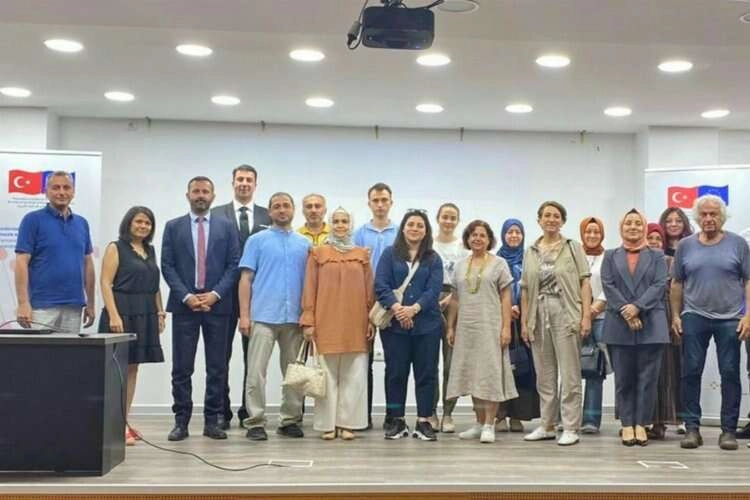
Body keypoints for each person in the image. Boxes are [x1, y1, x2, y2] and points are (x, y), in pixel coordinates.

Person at [161, 176, 240, 441]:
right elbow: (167, 265)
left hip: (218, 307)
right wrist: (186, 296)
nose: (200, 195)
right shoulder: (173, 227)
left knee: (217, 367)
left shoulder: (227, 227)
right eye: (196, 191)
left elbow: (234, 264)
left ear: (213, 196)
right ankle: (181, 422)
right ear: (188, 195)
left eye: (205, 191)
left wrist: (215, 295)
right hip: (185, 307)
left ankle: (212, 421)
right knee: (182, 368)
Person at [671, 195, 750, 450]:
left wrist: (748, 315)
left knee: (730, 373)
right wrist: (675, 316)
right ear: (697, 217)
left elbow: (748, 281)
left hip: (731, 319)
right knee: (691, 372)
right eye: (704, 214)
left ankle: (728, 431)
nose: (708, 219)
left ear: (722, 216)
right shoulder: (685, 245)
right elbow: (677, 283)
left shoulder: (738, 244)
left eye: (713, 214)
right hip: (694, 316)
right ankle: (692, 429)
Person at [238, 192, 311, 441]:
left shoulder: (304, 244)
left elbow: (311, 283)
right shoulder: (256, 241)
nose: (282, 210)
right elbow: (246, 279)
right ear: (269, 212)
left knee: (294, 373)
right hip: (263, 316)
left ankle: (290, 420)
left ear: (293, 210)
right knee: (256, 372)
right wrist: (244, 316)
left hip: (295, 319)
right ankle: (255, 422)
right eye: (277, 206)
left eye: (286, 206)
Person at [521, 201, 592, 447]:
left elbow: (585, 282)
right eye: (547, 215)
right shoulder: (531, 250)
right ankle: (547, 424)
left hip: (566, 311)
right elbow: (526, 288)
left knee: (570, 373)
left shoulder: (573, 247)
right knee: (544, 373)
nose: (551, 219)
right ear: (539, 220)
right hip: (538, 313)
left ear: (562, 221)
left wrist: (585, 316)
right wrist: (525, 322)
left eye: (556, 216)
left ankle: (571, 426)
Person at [300, 207, 374, 440]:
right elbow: (309, 287)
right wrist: (308, 320)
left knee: (354, 376)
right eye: (337, 221)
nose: (341, 225)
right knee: (327, 375)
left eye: (345, 221)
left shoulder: (362, 255)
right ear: (330, 224)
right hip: (325, 320)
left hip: (356, 321)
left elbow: (369, 291)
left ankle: (348, 423)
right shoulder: (317, 253)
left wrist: (371, 320)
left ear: (351, 225)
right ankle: (327, 424)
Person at [600, 209, 669, 447]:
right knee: (624, 378)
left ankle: (642, 423)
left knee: (648, 379)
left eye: (638, 223)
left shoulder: (657, 256)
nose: (633, 227)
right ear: (621, 228)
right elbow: (608, 285)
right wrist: (627, 311)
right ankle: (627, 424)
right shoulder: (610, 255)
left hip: (652, 323)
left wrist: (637, 307)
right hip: (619, 324)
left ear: (644, 228)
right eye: (628, 223)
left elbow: (659, 285)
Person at [445, 220, 517, 444]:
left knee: (489, 374)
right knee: (472, 374)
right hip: (466, 328)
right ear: (467, 239)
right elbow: (455, 298)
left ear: (489, 239)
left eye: (482, 235)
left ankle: (489, 424)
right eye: (473, 235)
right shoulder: (460, 265)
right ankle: (478, 423)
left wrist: (506, 328)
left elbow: (506, 297)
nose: (477, 238)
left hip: (490, 326)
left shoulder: (499, 264)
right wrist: (450, 326)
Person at [99, 206, 165, 445]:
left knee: (133, 369)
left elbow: (155, 285)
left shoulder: (150, 250)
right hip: (122, 312)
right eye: (139, 221)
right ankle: (113, 426)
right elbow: (105, 283)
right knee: (116, 371)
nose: (143, 226)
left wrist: (160, 312)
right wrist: (114, 315)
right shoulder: (115, 247)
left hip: (145, 313)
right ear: (129, 223)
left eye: (147, 223)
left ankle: (124, 421)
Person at [374, 209, 443, 441]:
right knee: (396, 373)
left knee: (426, 373)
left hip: (427, 326)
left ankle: (424, 421)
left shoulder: (433, 258)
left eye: (420, 225)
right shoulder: (389, 254)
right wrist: (398, 308)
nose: (415, 228)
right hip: (395, 327)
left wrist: (413, 309)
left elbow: (433, 290)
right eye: (411, 224)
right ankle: (397, 420)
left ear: (426, 231)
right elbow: (381, 285)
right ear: (403, 228)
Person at [212, 164, 271, 429]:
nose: (244, 183)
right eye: (240, 179)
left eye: (249, 179)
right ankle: (220, 411)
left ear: (255, 184)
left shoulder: (268, 215)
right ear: (233, 183)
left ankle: (249, 410)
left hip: (258, 296)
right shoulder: (216, 214)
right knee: (220, 357)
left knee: (253, 359)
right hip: (223, 295)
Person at [15, 171, 95, 333]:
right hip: (41, 306)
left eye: (66, 187)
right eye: (56, 188)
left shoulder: (82, 223)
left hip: (74, 305)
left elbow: (88, 264)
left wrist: (91, 303)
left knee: (68, 350)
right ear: (46, 192)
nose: (61, 192)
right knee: (38, 350)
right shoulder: (32, 220)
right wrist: (23, 303)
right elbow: (21, 262)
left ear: (73, 192)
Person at [353, 182, 398, 430]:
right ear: (369, 203)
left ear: (391, 202)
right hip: (365, 303)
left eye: (384, 200)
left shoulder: (400, 232)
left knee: (394, 363)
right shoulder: (359, 234)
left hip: (392, 304)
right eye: (376, 200)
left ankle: (392, 416)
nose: (380, 205)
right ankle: (363, 416)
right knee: (364, 363)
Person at [495, 219, 539, 433]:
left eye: (518, 232)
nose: (514, 236)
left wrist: (522, 309)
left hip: (525, 321)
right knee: (501, 369)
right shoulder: (495, 260)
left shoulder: (530, 259)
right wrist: (505, 308)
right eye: (510, 232)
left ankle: (517, 416)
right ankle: (499, 415)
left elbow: (534, 287)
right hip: (499, 321)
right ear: (503, 235)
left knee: (522, 370)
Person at [430, 202, 469, 433]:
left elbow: (465, 279)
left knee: (451, 363)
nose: (448, 221)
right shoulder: (429, 245)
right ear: (438, 218)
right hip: (430, 301)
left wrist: (451, 298)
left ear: (457, 221)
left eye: (453, 217)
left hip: (455, 301)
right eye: (445, 216)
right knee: (429, 362)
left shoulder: (463, 247)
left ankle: (448, 413)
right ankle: (431, 412)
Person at [645, 222, 682, 440]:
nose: (654, 242)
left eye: (658, 239)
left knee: (664, 373)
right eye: (650, 238)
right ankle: (638, 421)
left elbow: (678, 290)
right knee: (643, 374)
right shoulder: (636, 261)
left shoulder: (671, 262)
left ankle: (660, 423)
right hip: (642, 319)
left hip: (666, 320)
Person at [658, 206, 693, 435]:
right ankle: (660, 418)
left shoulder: (692, 247)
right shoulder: (654, 249)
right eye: (669, 220)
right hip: (661, 313)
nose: (673, 224)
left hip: (687, 310)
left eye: (678, 220)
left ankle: (683, 417)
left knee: (684, 365)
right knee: (663, 366)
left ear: (685, 224)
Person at [579, 216, 610, 434]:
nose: (592, 235)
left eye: (596, 231)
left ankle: (591, 419)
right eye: (588, 231)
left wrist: (593, 309)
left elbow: (610, 285)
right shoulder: (573, 255)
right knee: (570, 369)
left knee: (595, 368)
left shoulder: (608, 257)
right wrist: (582, 312)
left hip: (601, 317)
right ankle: (566, 418)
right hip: (574, 317)